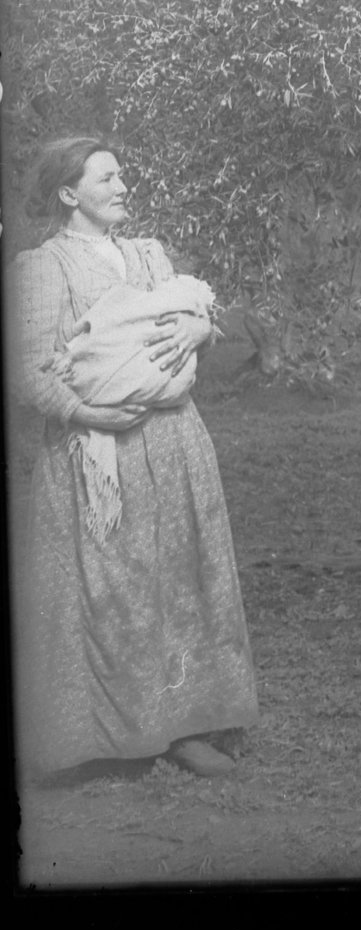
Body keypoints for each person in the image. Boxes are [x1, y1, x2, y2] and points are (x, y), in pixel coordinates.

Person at [6, 136, 258, 778]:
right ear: (69, 194)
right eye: (108, 178)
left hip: (174, 441)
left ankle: (186, 727)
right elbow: (29, 372)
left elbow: (193, 312)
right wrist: (91, 414)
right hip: (96, 453)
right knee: (115, 589)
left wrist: (204, 327)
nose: (123, 188)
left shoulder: (149, 255)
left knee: (177, 577)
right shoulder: (42, 268)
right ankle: (110, 738)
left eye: (123, 176)